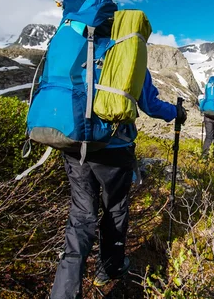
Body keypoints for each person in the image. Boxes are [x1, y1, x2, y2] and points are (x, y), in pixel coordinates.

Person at [50, 70, 187, 298]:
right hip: (113, 147)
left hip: (74, 145)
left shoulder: (78, 45)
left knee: (81, 214)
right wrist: (176, 112)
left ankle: (63, 291)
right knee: (115, 207)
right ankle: (109, 269)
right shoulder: (128, 54)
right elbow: (150, 105)